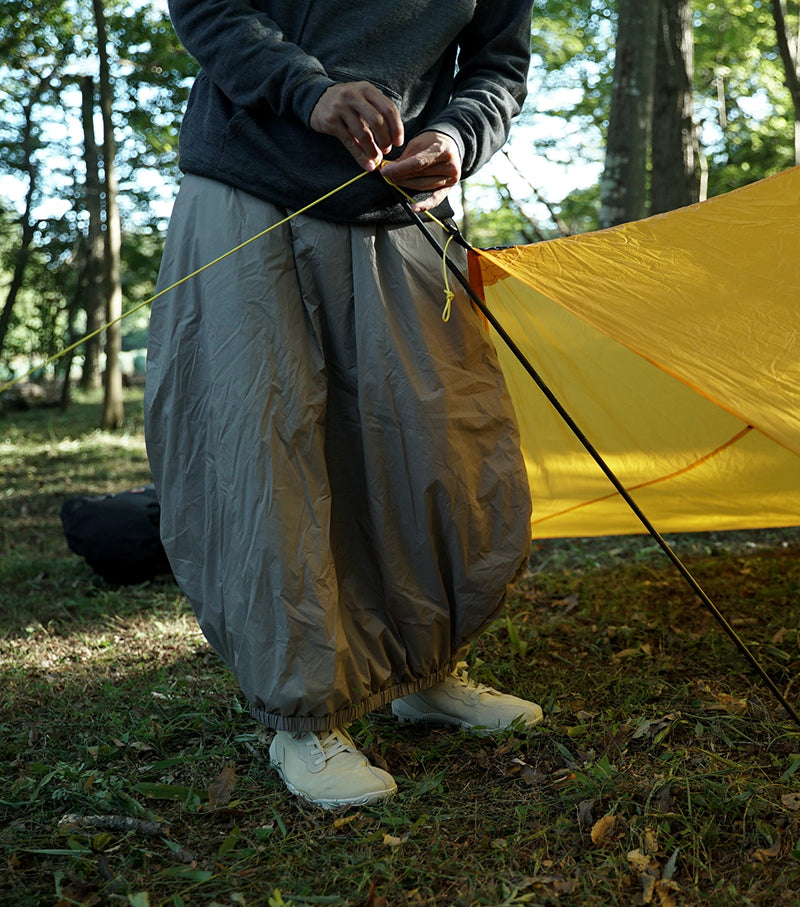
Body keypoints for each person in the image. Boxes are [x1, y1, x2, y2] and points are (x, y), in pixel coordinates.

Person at [144, 0, 541, 810]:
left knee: (432, 445)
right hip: (250, 184)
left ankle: (425, 672)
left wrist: (458, 138)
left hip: (398, 209)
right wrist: (308, 89)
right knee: (268, 447)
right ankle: (305, 717)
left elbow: (498, 67)